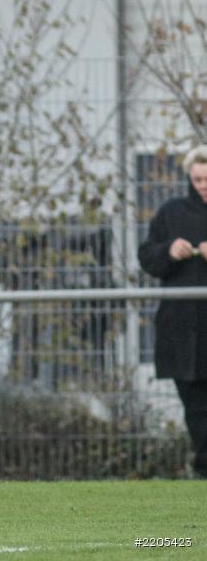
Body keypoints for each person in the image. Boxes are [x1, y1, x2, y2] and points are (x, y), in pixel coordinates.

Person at [138, 144, 207, 479]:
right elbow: (147, 257)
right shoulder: (171, 212)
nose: (203, 185)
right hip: (183, 330)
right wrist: (169, 250)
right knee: (196, 408)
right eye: (198, 179)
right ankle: (204, 470)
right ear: (189, 179)